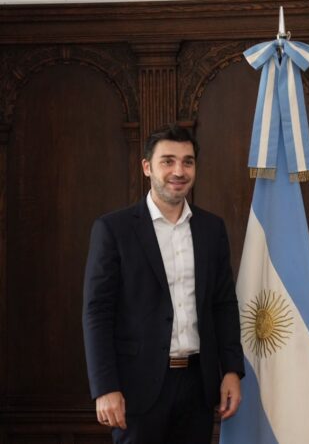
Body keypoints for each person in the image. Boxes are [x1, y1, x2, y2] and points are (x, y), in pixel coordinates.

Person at [82, 124, 244, 443]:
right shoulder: (114, 229)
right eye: (167, 161)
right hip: (136, 388)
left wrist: (231, 370)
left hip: (198, 385)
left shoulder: (212, 229)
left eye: (187, 162)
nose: (179, 171)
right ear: (147, 167)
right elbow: (97, 312)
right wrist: (105, 386)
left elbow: (224, 304)